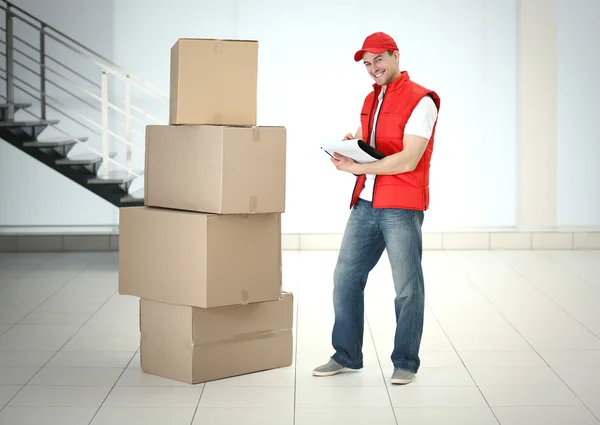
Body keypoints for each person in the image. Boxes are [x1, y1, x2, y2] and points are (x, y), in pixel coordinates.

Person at [312, 32, 441, 385]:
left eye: (378, 60)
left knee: (407, 287)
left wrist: (359, 167)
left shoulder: (421, 100)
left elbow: (409, 159)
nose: (373, 68)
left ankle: (405, 362)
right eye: (367, 64)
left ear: (395, 55)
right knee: (345, 279)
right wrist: (350, 146)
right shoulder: (372, 98)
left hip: (401, 205)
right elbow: (366, 138)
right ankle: (348, 355)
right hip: (366, 204)